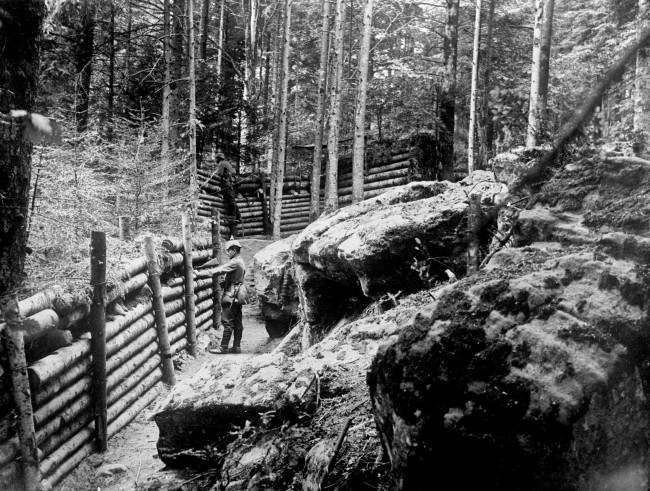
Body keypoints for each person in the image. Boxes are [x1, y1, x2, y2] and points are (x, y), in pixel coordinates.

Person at [200, 240, 246, 354]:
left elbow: (218, 270)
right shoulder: (240, 261)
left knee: (227, 321)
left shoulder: (234, 262)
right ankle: (236, 347)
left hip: (230, 294)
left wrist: (199, 273)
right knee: (237, 322)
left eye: (229, 250)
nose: (227, 252)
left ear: (234, 250)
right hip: (238, 293)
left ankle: (223, 347)